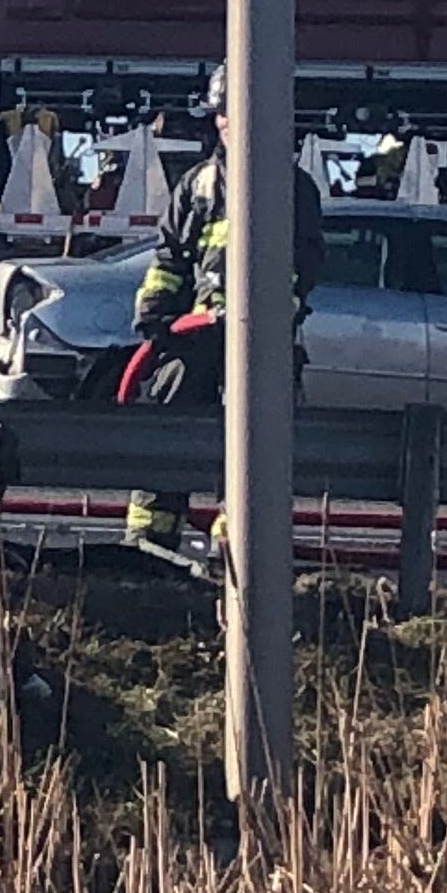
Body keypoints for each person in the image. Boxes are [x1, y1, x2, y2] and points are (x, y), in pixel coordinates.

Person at [123, 99, 329, 560]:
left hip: (262, 342)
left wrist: (275, 310)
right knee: (167, 422)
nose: (227, 123)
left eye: (235, 111)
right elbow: (171, 256)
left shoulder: (291, 187)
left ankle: (236, 547)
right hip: (196, 334)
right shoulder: (198, 184)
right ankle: (149, 541)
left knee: (254, 440)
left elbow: (306, 260)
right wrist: (156, 309)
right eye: (221, 114)